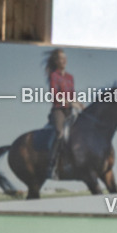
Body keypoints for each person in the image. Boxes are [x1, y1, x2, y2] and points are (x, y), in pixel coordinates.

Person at [44, 48, 78, 180]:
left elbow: (73, 95)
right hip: (58, 110)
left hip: (69, 110)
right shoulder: (54, 76)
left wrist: (80, 104)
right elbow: (55, 95)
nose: (64, 60)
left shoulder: (70, 77)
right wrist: (70, 103)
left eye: (65, 58)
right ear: (56, 61)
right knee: (60, 133)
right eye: (61, 58)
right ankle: (52, 166)